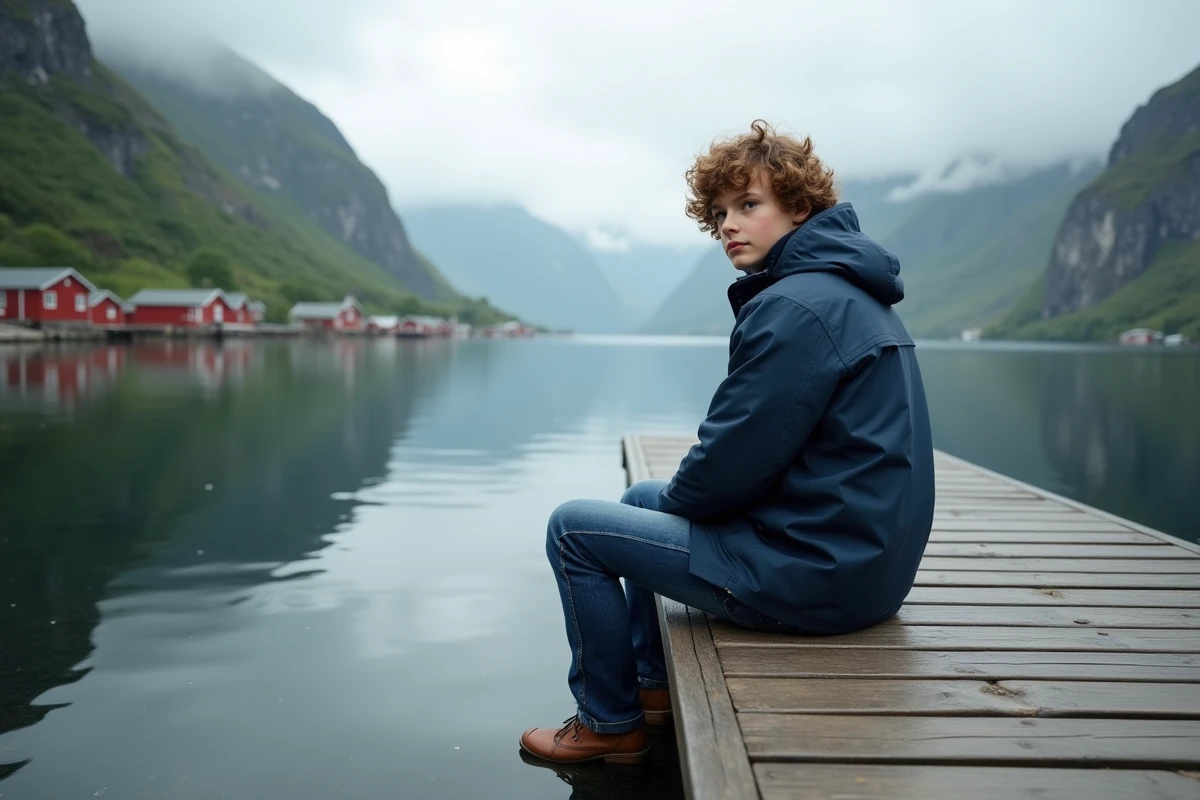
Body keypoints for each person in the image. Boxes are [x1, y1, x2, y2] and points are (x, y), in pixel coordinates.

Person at [519, 120, 935, 765]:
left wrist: (684, 506)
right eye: (718, 214)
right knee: (641, 497)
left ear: (799, 207)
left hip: (817, 578)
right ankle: (651, 689)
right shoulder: (849, 293)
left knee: (574, 529)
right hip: (865, 569)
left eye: (748, 205)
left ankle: (610, 722)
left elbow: (731, 462)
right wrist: (676, 505)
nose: (728, 227)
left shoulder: (795, 306)